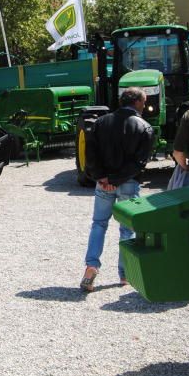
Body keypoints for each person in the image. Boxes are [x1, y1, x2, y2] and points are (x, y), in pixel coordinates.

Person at [81, 87, 154, 292]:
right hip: (128, 183)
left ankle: (91, 265)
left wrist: (103, 177)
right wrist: (116, 178)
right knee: (127, 229)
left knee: (98, 224)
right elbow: (139, 162)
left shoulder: (100, 122)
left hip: (103, 182)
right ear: (138, 102)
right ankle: (125, 274)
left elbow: (91, 154)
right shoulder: (144, 127)